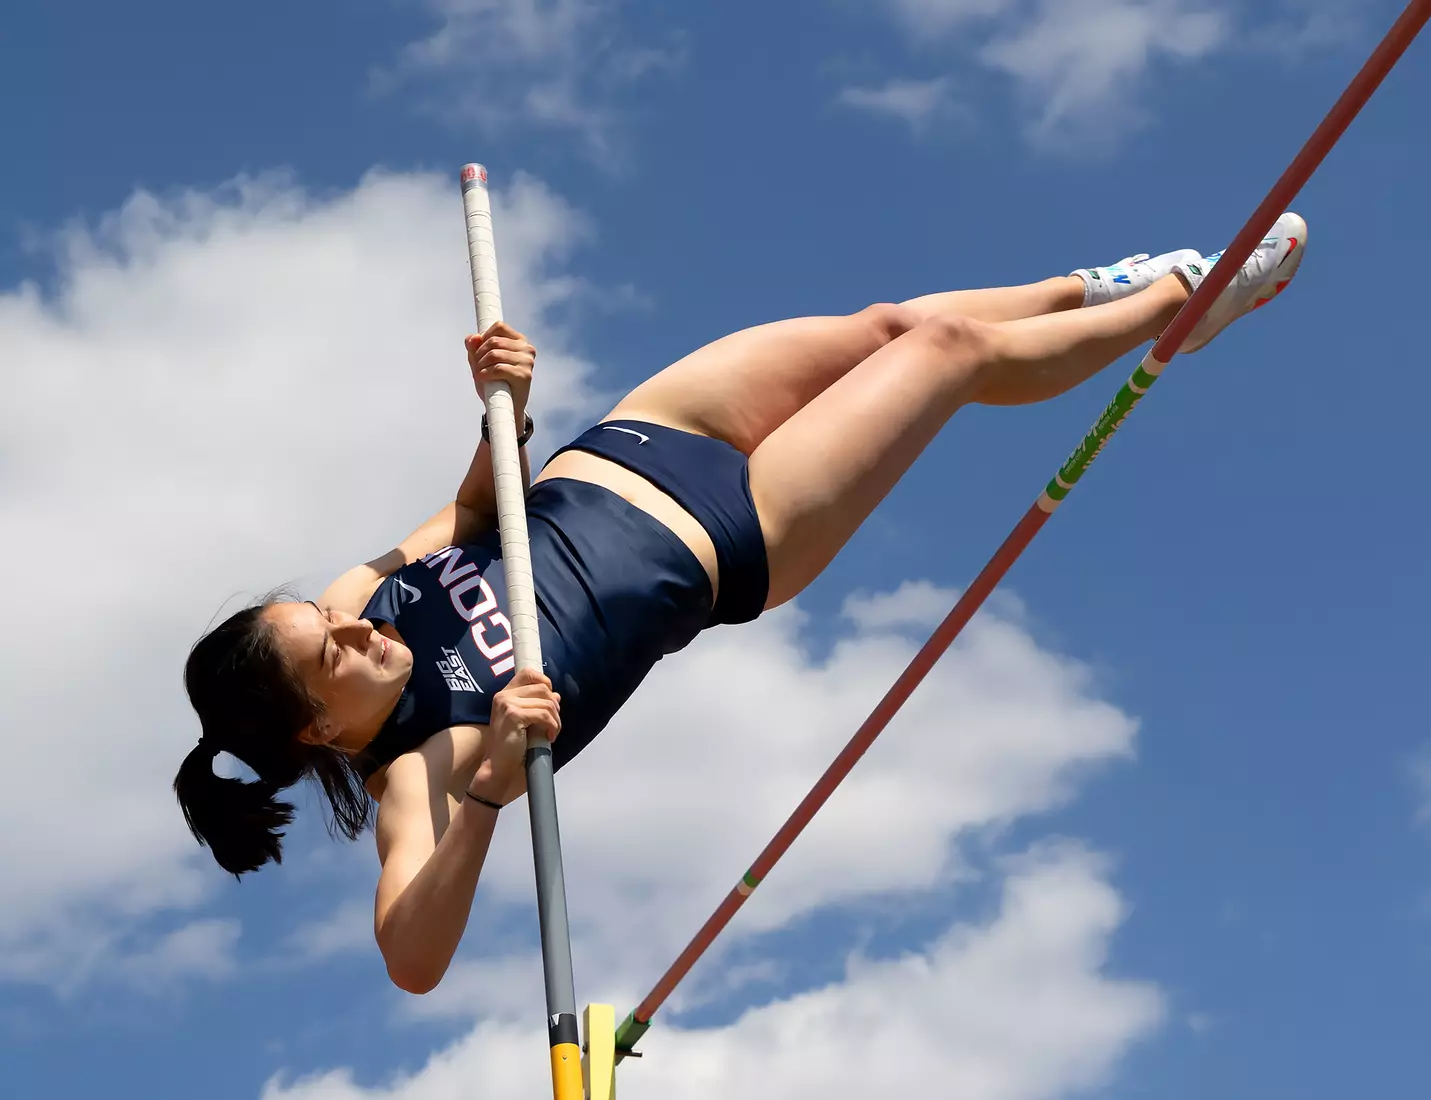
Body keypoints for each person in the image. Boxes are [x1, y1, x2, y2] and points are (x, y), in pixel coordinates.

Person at [176, 214, 1307, 992]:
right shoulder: (418, 775)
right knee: (950, 353)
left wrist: (502, 414)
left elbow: (473, 516)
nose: (357, 622)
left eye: (329, 618)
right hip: (740, 529)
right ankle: (1182, 304)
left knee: (886, 323)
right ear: (319, 728)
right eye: (336, 651)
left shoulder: (354, 594)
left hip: (642, 433)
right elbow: (411, 956)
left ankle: (1097, 286)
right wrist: (482, 792)